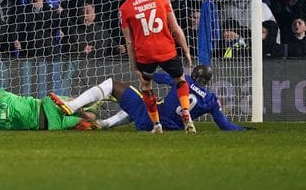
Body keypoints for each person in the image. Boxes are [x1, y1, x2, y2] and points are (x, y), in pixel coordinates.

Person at [50, 65, 244, 132]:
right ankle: (103, 124)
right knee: (135, 103)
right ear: (208, 81)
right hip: (166, 127)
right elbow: (225, 126)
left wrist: (147, 73)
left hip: (153, 118)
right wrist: (246, 129)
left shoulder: (183, 80)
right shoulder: (211, 99)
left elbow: (159, 77)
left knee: (112, 85)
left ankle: (71, 105)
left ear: (193, 73)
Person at [119, 0, 194, 133]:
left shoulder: (125, 8)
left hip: (145, 55)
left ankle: (157, 125)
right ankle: (186, 113)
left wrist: (134, 67)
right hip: (166, 50)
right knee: (180, 79)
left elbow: (129, 42)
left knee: (146, 85)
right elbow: (175, 28)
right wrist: (186, 50)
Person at [0, 87, 97, 131]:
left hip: (46, 106)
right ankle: (98, 104)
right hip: (49, 125)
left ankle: (101, 96)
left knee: (78, 102)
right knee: (90, 117)